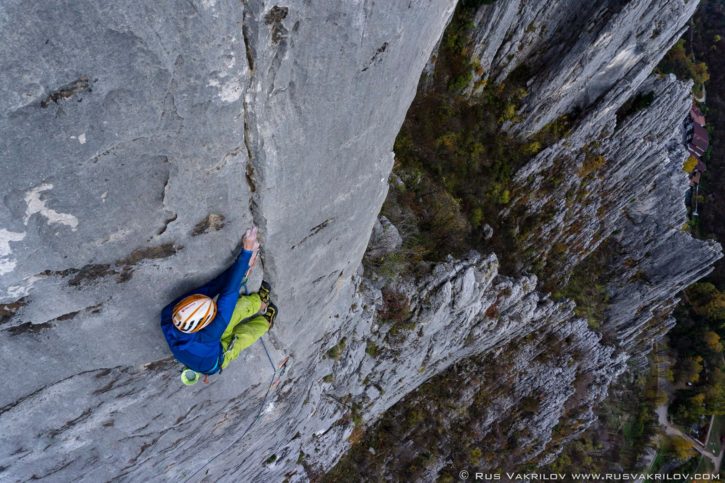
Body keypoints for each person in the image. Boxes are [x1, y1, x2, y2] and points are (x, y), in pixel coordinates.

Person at [160, 226, 277, 379]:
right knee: (242, 337)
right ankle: (265, 322)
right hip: (213, 361)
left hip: (198, 351)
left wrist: (241, 268)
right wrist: (246, 253)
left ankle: (260, 301)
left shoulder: (169, 315)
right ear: (206, 325)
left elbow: (212, 287)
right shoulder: (211, 334)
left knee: (238, 308)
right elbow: (229, 295)